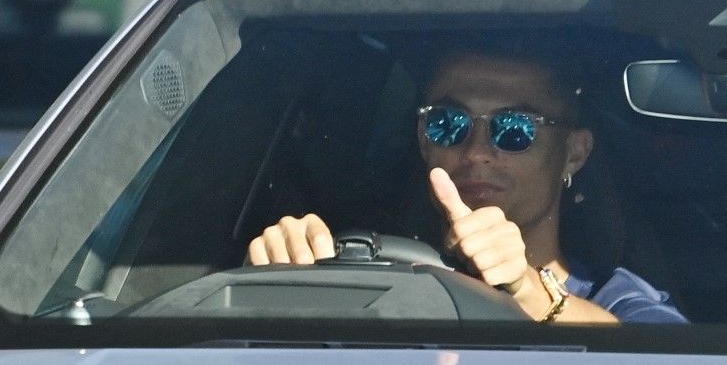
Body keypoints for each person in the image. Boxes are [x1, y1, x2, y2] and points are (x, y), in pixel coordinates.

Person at [249, 45, 687, 324]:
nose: (477, 151)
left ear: (574, 153)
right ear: (423, 141)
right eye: (447, 123)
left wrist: (529, 290)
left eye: (514, 129)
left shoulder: (616, 297)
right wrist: (276, 282)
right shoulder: (365, 276)